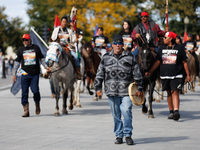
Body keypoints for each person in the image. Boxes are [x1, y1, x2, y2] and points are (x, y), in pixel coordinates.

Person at [94, 35, 144, 145]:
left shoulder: (130, 57)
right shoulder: (106, 57)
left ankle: (128, 134)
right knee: (116, 114)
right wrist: (98, 88)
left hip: (127, 91)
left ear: (123, 45)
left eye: (119, 43)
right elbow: (99, 73)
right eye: (115, 43)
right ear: (112, 45)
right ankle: (118, 135)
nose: (117, 45)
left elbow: (137, 73)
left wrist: (140, 87)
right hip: (111, 91)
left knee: (126, 111)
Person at [145, 32, 190, 121]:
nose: (163, 39)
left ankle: (176, 111)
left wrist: (188, 75)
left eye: (165, 37)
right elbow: (158, 62)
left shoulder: (179, 48)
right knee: (169, 93)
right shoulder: (161, 48)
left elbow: (184, 62)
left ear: (170, 39)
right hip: (165, 75)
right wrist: (150, 72)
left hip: (177, 75)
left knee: (175, 92)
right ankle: (171, 112)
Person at [12, 34, 51, 117]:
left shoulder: (36, 48)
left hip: (34, 74)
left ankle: (37, 103)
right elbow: (16, 63)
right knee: (24, 93)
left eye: (26, 40)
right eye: (23, 40)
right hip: (24, 75)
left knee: (35, 91)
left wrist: (46, 67)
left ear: (30, 40)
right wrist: (14, 74)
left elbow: (42, 59)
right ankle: (26, 110)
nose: (24, 42)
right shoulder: (21, 50)